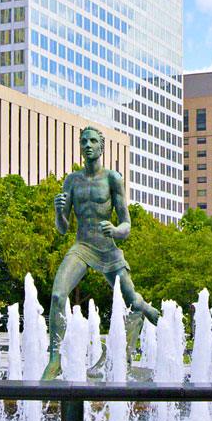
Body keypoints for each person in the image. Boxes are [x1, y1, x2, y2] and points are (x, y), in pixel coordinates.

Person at [41, 125, 159, 380]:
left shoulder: (112, 179)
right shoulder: (72, 181)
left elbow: (126, 225)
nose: (88, 145)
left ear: (102, 147)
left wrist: (116, 231)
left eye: (93, 141)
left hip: (108, 249)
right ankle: (54, 359)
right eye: (84, 141)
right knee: (57, 294)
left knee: (133, 303)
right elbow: (63, 229)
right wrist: (59, 212)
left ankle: (149, 312)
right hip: (82, 247)